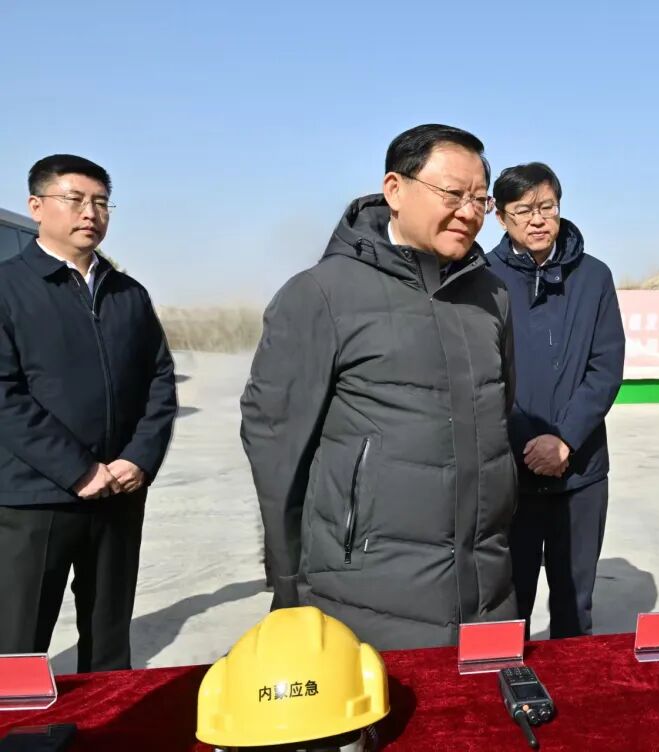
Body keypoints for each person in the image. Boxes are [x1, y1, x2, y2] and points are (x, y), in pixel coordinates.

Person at [241, 124, 518, 651]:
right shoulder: (321, 294)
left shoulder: (492, 296)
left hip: (487, 590)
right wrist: (288, 584)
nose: (469, 212)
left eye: (480, 199)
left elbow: (500, 412)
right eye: (452, 194)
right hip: (364, 595)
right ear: (395, 189)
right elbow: (276, 450)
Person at [0, 154, 177, 671]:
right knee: (19, 640)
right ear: (36, 206)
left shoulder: (128, 293)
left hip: (118, 492)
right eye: (74, 199)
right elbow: (5, 395)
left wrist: (138, 459)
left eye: (101, 203)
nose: (90, 213)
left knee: (108, 639)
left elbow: (160, 381)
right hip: (36, 498)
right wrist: (77, 469)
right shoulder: (8, 288)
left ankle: (111, 717)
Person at [486, 163, 625, 638]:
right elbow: (481, 376)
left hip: (580, 471)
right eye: (523, 210)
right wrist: (528, 443)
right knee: (508, 606)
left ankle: (576, 684)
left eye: (547, 207)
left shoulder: (594, 277)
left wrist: (564, 439)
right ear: (500, 217)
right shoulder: (483, 279)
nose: (538, 219)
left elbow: (605, 367)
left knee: (574, 604)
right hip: (510, 475)